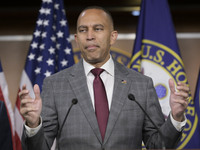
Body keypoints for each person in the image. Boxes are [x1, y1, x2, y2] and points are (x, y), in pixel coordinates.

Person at [19, 6, 189, 150]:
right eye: (83, 30)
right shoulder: (56, 85)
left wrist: (175, 118)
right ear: (77, 39)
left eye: (98, 29)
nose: (90, 36)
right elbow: (40, 146)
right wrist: (34, 125)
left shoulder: (141, 85)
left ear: (113, 37)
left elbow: (158, 145)